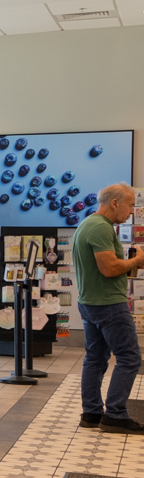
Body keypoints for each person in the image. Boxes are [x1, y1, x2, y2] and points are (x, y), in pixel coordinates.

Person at [73, 183, 144, 433]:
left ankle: (91, 413)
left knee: (95, 358)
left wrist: (128, 263)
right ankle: (115, 414)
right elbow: (110, 268)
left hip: (90, 302)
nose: (131, 212)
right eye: (130, 206)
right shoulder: (101, 227)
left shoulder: (87, 224)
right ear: (115, 203)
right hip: (108, 304)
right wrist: (136, 260)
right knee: (130, 357)